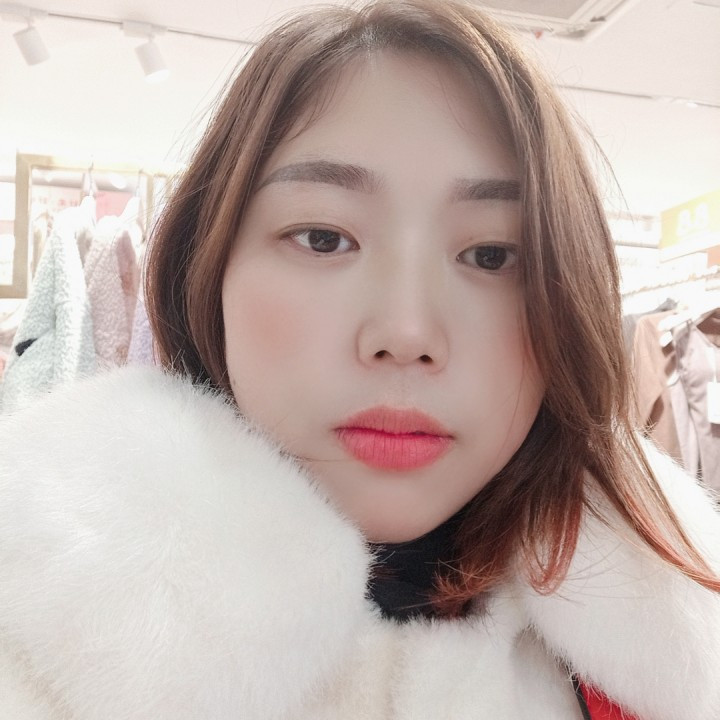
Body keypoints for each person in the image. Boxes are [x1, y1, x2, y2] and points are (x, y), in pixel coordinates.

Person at [0, 1, 718, 718]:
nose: (406, 333)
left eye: (492, 255)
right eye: (322, 238)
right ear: (206, 272)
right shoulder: (35, 651)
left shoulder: (666, 658)